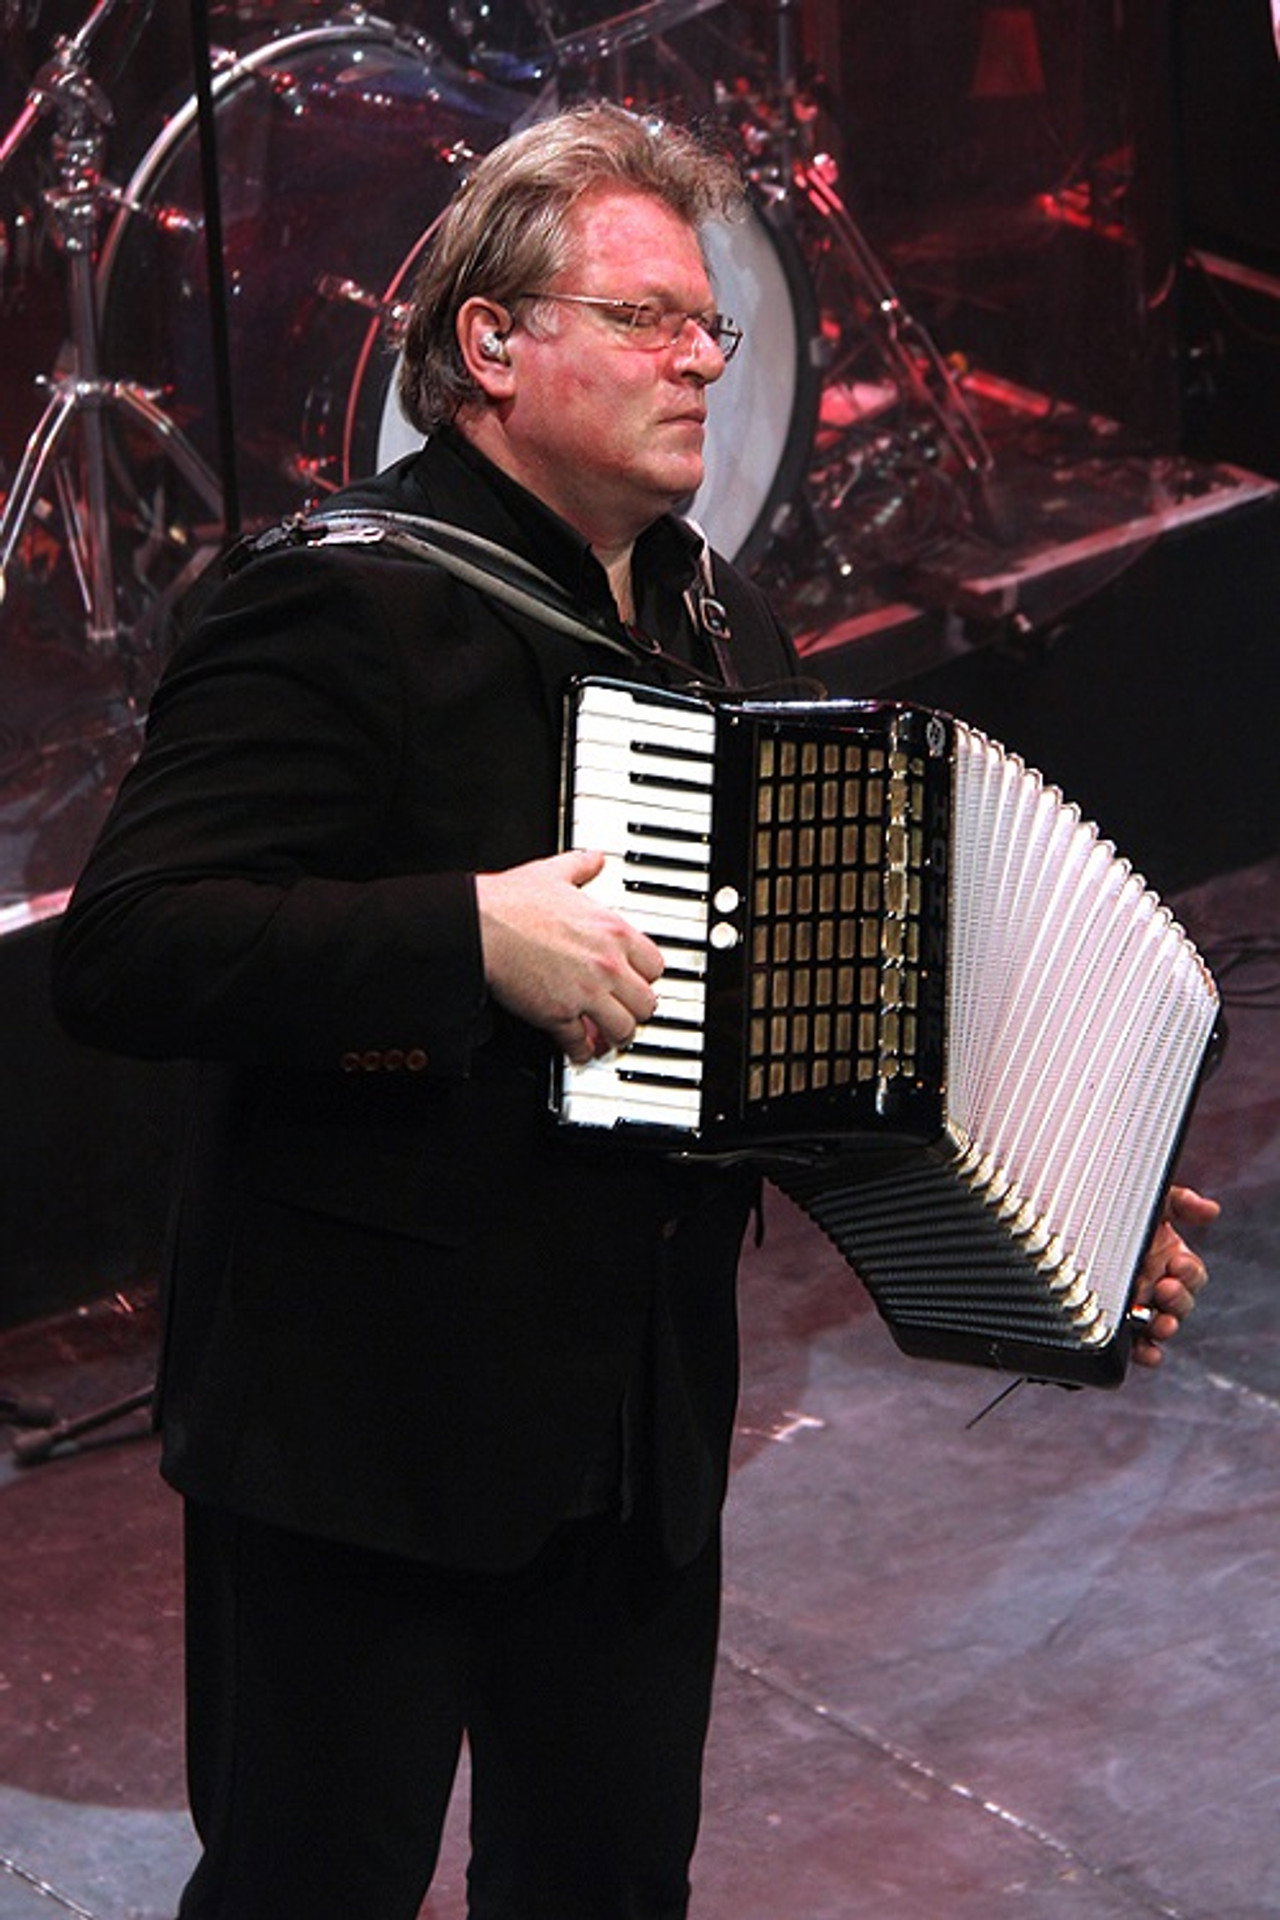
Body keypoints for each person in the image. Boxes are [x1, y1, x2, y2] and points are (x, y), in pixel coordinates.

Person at [50, 102, 1216, 1920]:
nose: (703, 360)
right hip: (361, 1436)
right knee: (306, 1886)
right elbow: (128, 943)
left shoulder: (720, 624)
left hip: (634, 1439)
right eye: (647, 319)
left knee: (606, 1888)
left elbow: (801, 1032)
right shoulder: (338, 605)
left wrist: (1068, 1238)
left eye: (709, 326)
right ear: (491, 344)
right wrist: (466, 937)